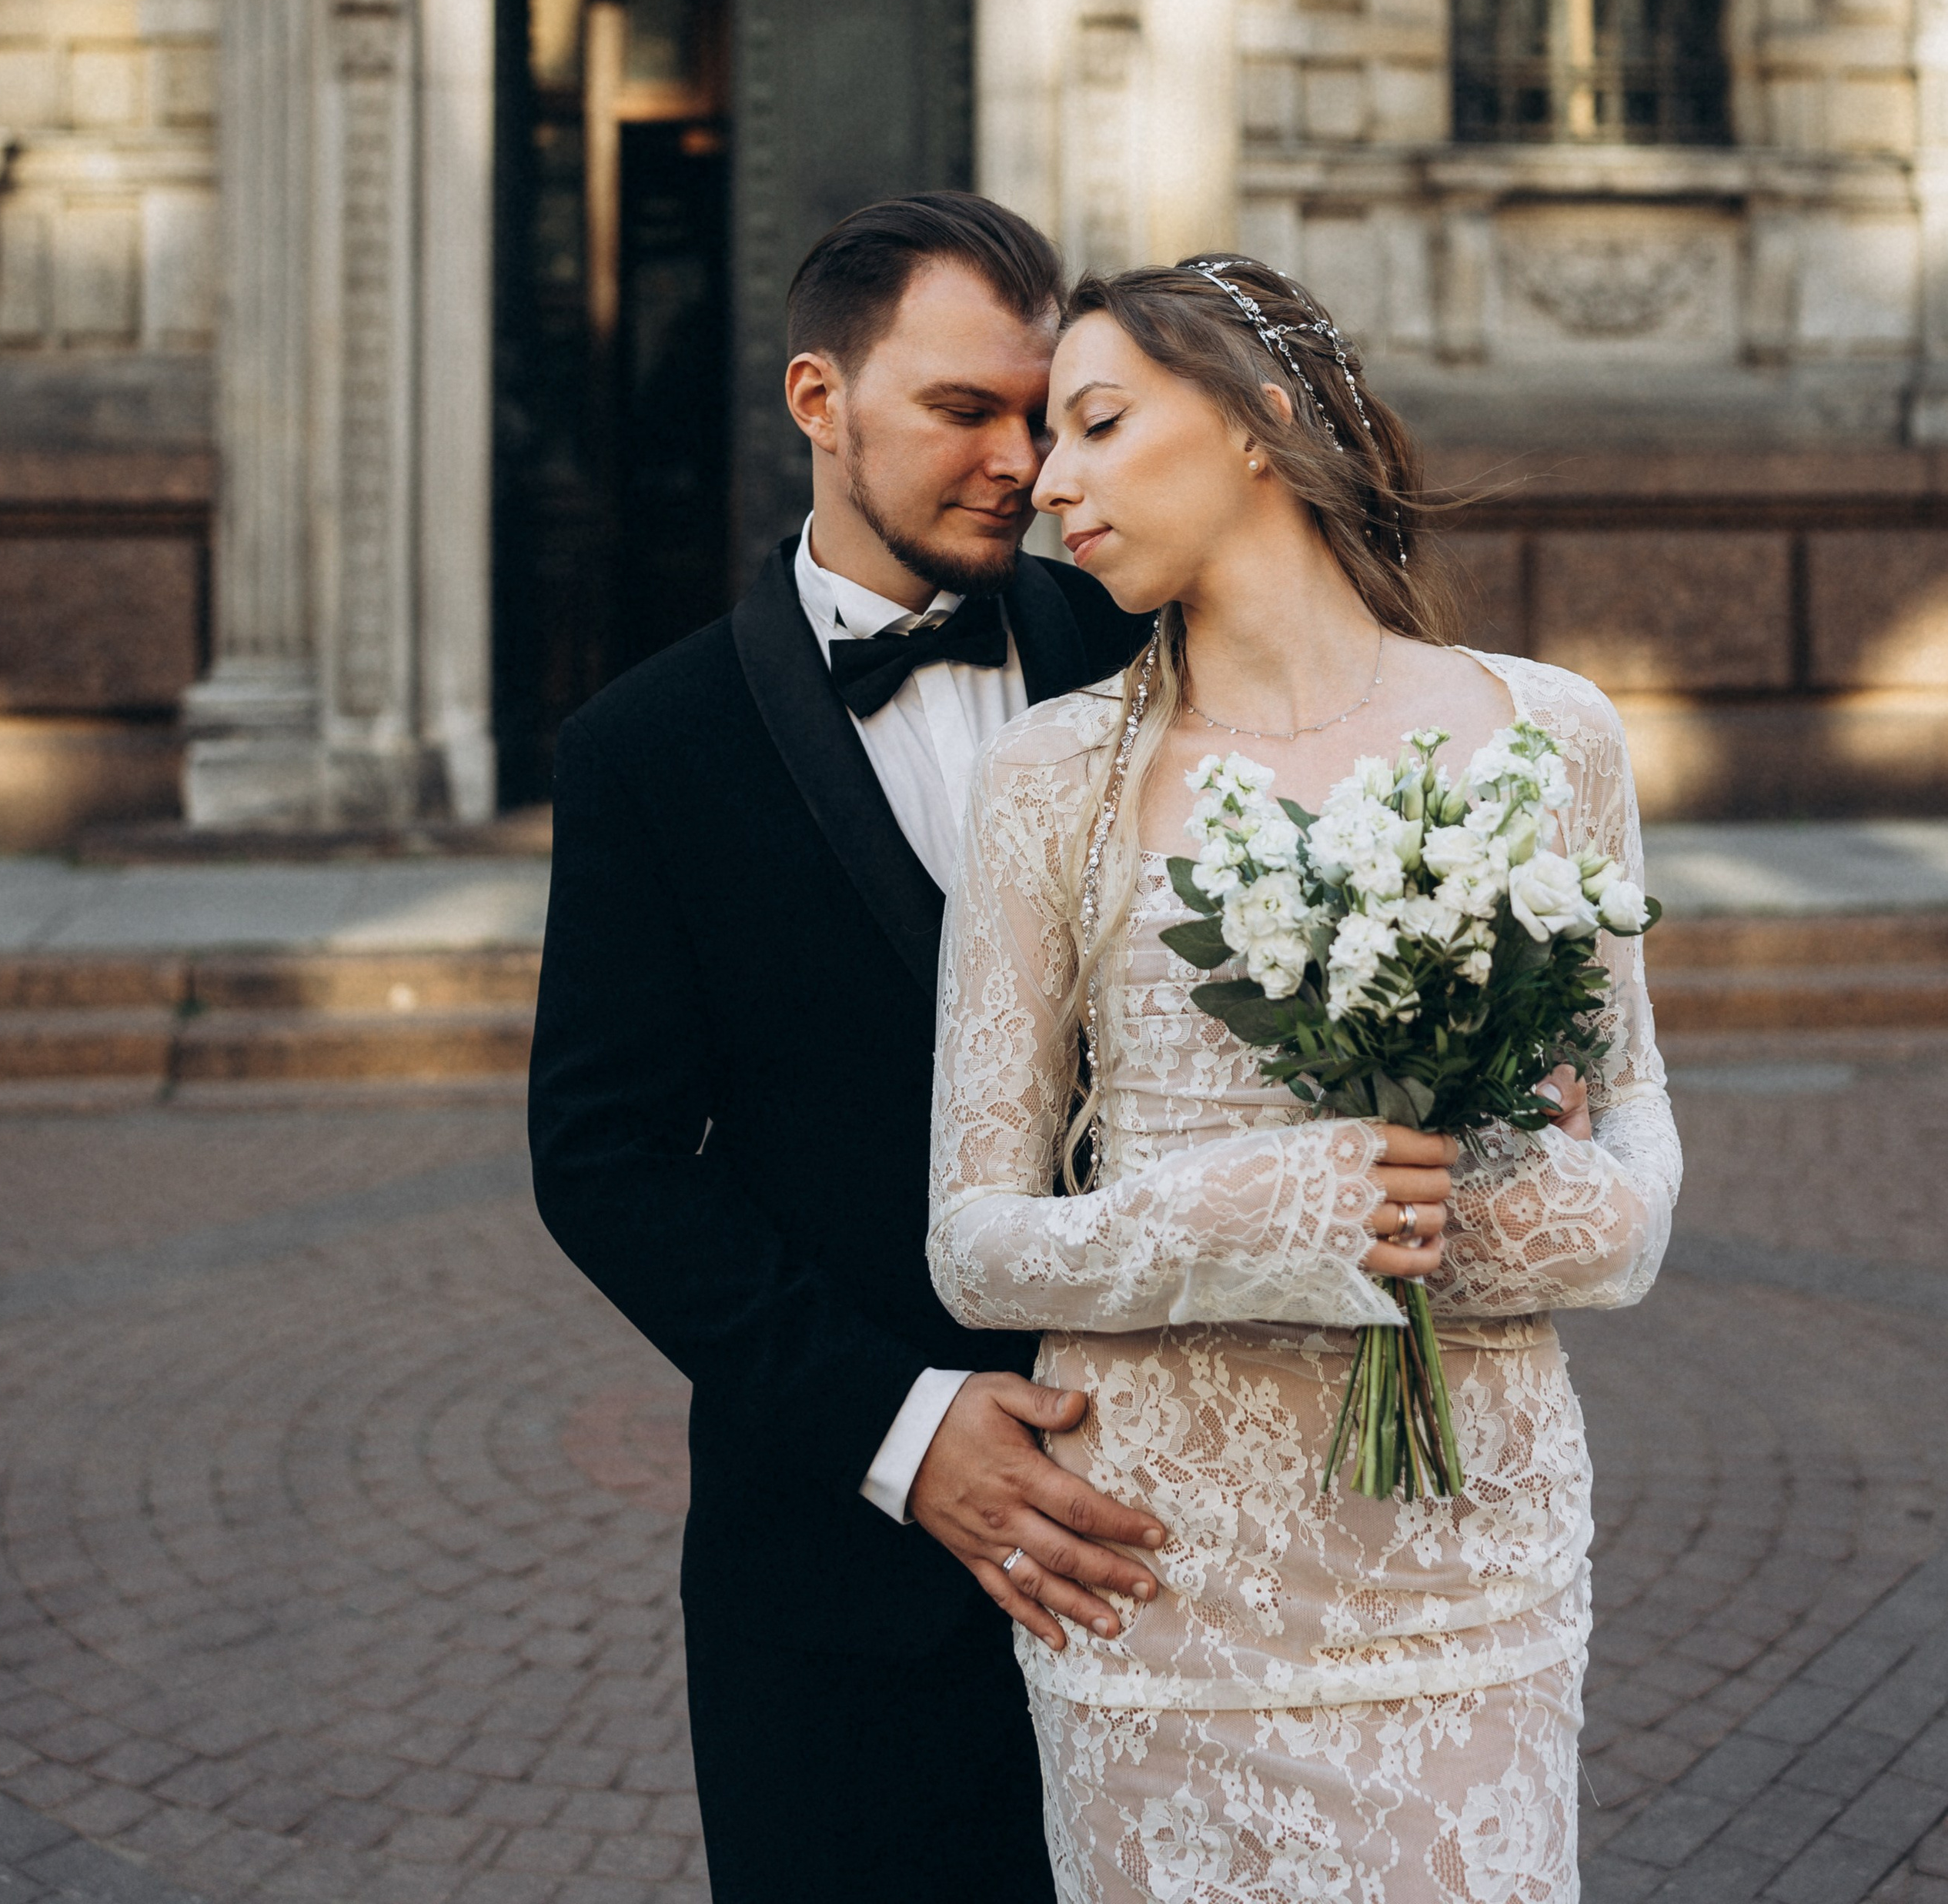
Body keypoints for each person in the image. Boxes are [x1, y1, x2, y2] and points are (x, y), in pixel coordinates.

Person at [927, 253, 1681, 1904]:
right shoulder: (1047, 779)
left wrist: (1529, 1216)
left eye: (1099, 425)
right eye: (1047, 441)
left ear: (1260, 424)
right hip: (1156, 1583)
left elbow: (1627, 1158)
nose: (1047, 484)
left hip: (1459, 1573)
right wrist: (1253, 1212)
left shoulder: (1547, 735)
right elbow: (970, 1245)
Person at [528, 192, 1157, 1904]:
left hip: (1175, 1531)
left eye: (1043, 413)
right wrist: (903, 1431)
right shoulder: (644, 750)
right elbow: (606, 1161)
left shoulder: (1158, 653)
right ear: (820, 400)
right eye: (965, 411)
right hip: (833, 1570)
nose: (1021, 462)